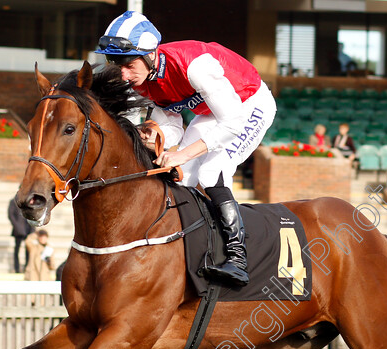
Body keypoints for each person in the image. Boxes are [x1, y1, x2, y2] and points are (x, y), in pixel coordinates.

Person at [95, 11, 277, 287]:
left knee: (211, 170)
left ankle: (239, 259)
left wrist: (181, 153)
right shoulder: (145, 80)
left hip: (250, 104)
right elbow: (172, 129)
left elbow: (233, 122)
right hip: (214, 113)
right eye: (116, 64)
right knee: (184, 177)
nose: (123, 74)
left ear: (150, 54)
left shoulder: (195, 67)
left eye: (129, 64)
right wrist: (152, 133)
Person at [9, 198, 34, 273]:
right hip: (18, 230)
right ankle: (17, 268)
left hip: (28, 229)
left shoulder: (30, 200)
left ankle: (26, 267)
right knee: (17, 250)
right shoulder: (13, 201)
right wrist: (17, 227)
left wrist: (32, 229)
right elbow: (11, 215)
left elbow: (34, 214)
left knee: (28, 250)